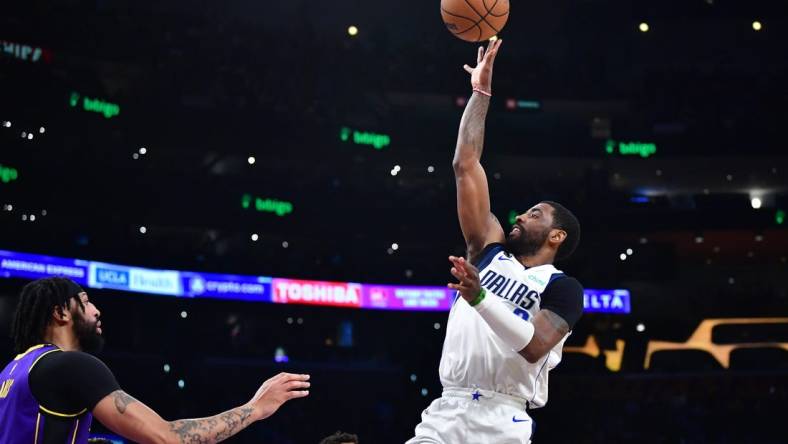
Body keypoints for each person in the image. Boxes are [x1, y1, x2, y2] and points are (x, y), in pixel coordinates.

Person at [407, 40, 584, 444]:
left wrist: (480, 298)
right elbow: (464, 164)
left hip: (502, 418)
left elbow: (536, 346)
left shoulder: (563, 289)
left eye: (535, 214)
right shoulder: (489, 251)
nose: (521, 216)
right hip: (445, 410)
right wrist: (480, 94)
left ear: (557, 236)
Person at [0, 277, 310, 443]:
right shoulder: (72, 365)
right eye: (84, 302)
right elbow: (167, 437)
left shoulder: (13, 370)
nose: (96, 310)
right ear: (60, 313)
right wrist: (255, 408)